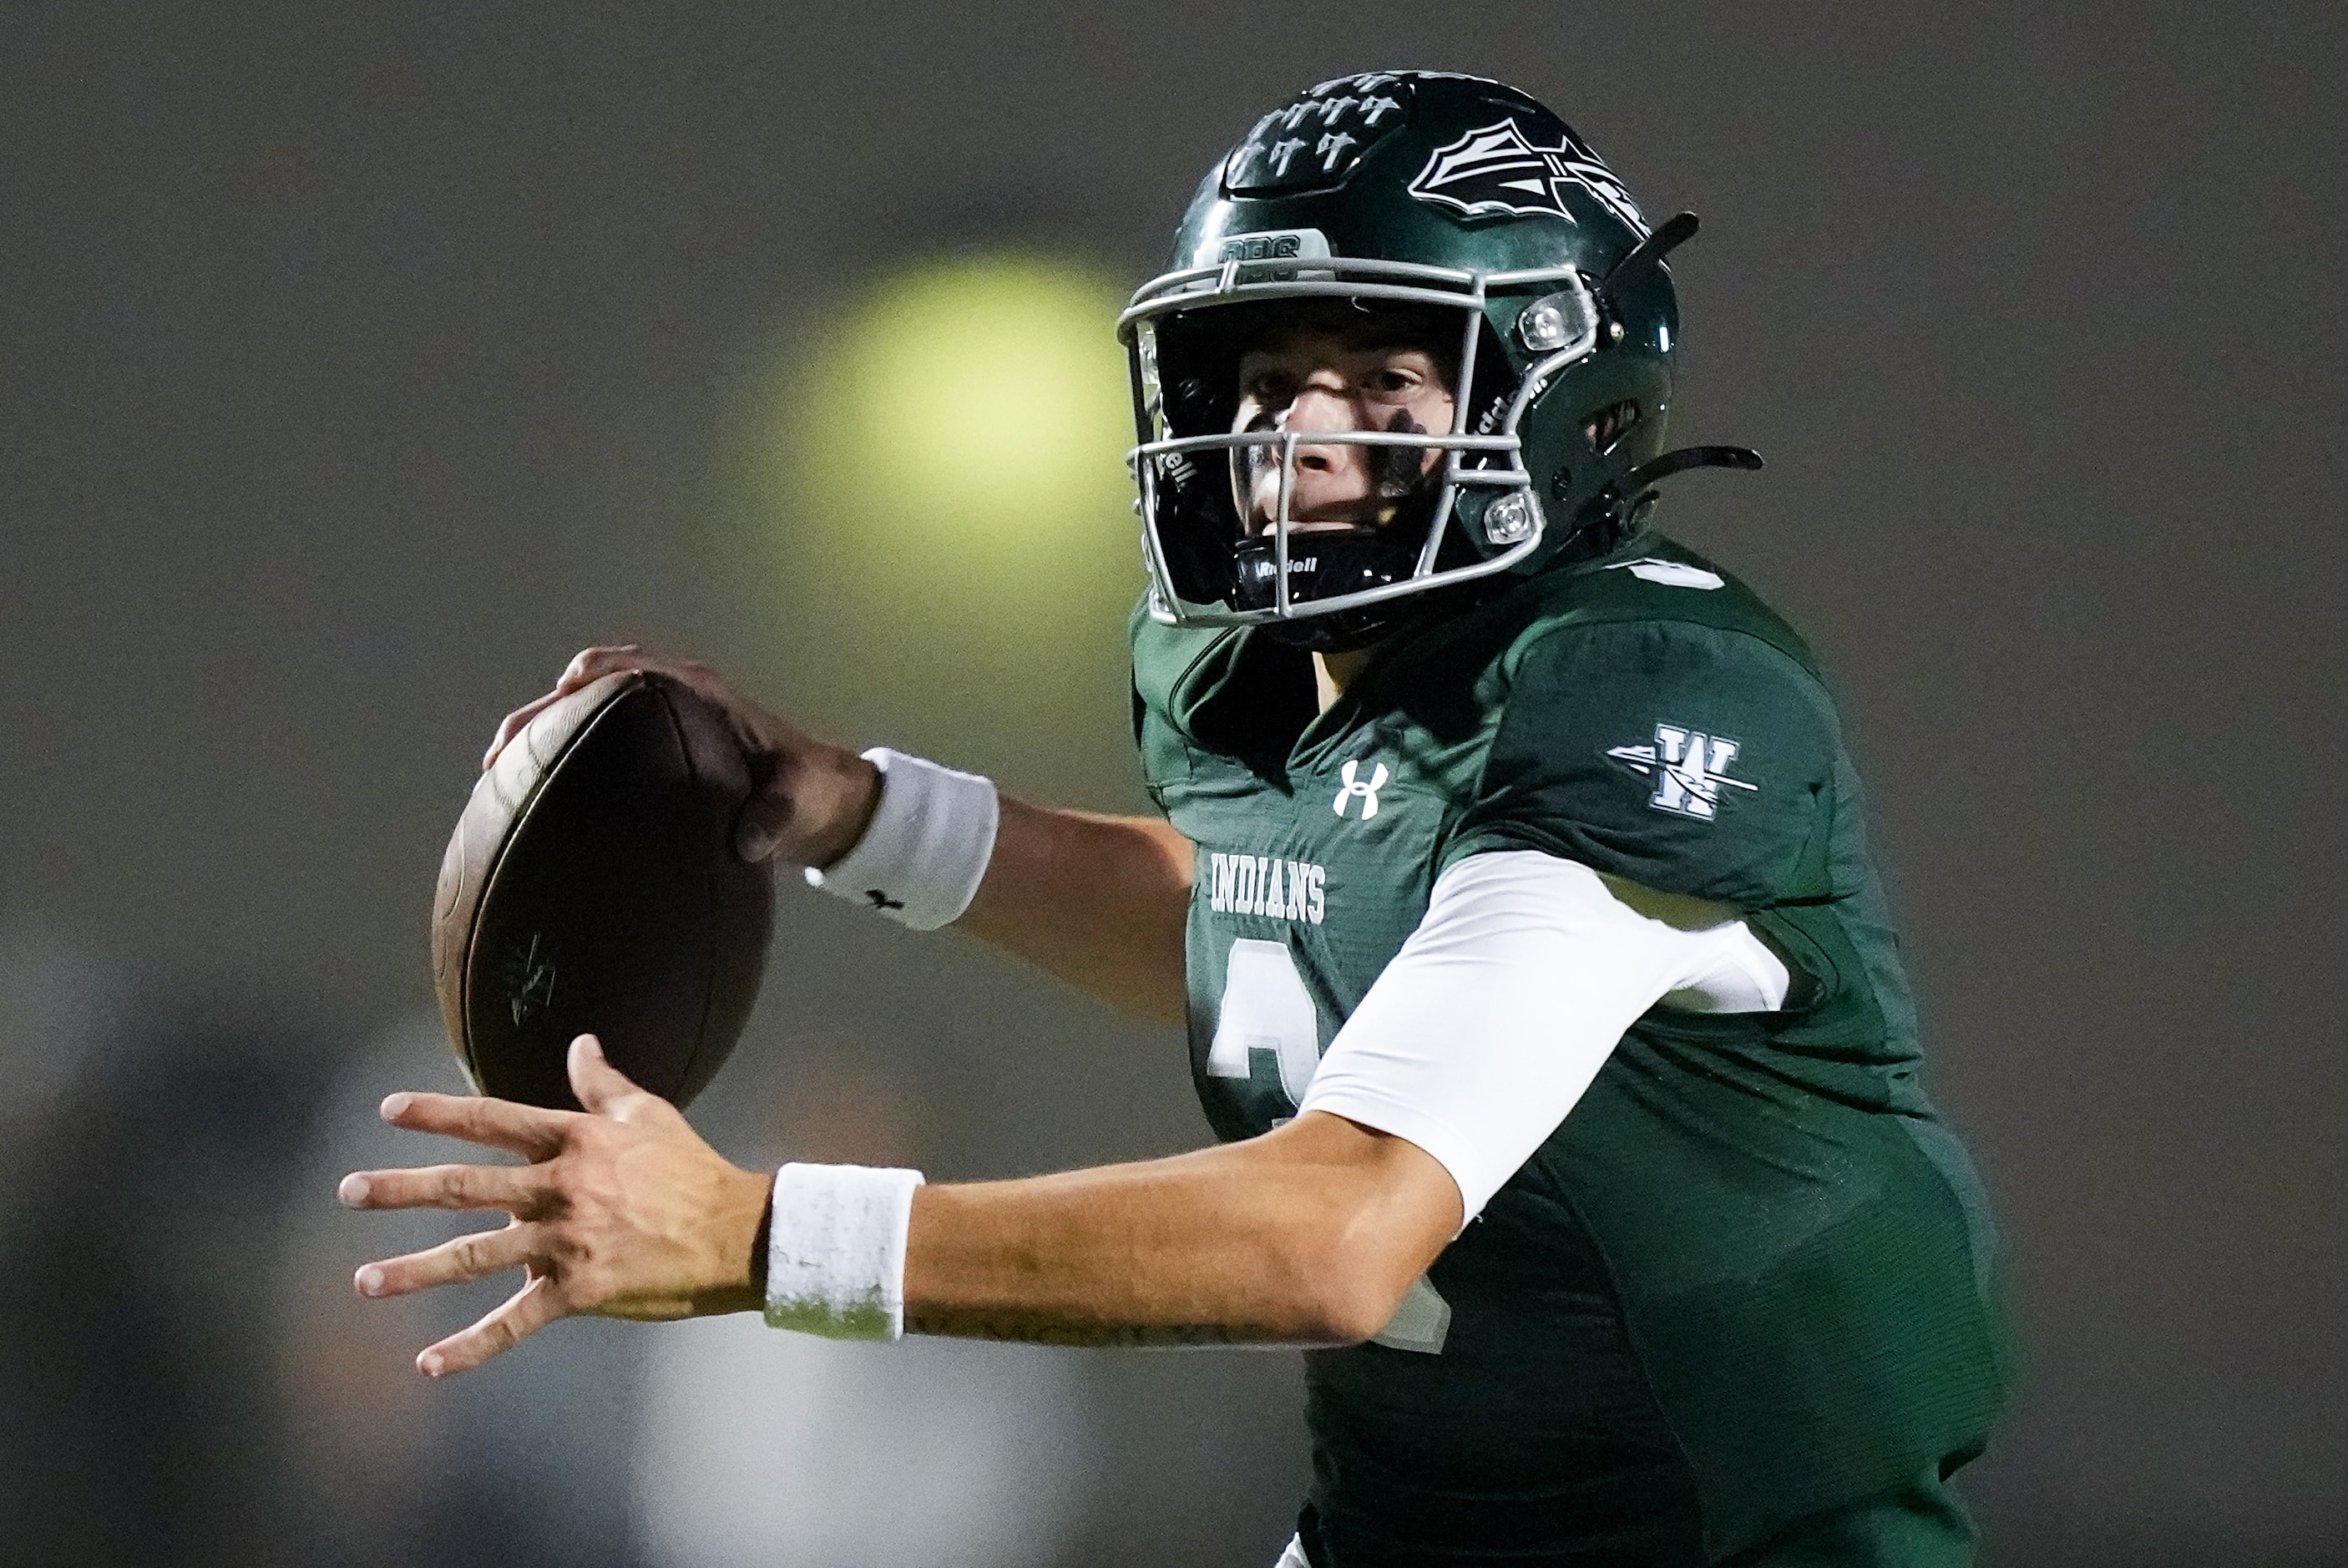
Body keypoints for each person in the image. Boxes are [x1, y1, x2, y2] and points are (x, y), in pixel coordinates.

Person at [344, 72, 2009, 1566]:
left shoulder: (1642, 682)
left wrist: (764, 1238)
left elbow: (1336, 1230)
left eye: (1380, 377)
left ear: (1556, 396)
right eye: (1268, 373)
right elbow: (1270, 921)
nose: (1296, 433)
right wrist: (860, 812)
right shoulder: (1251, 670)